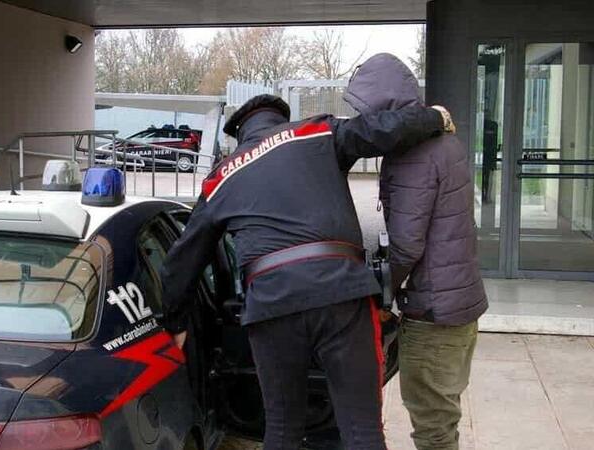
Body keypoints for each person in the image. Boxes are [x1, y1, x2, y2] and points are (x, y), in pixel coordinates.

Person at [156, 93, 455, 450]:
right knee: (363, 432)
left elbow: (181, 261)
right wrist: (434, 118)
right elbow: (379, 129)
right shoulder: (316, 133)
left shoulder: (221, 177)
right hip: (342, 294)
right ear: (282, 119)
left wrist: (175, 323)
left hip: (271, 308)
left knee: (282, 430)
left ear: (240, 134)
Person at [345, 53, 488, 450]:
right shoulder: (444, 140)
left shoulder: (413, 154)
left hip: (434, 313)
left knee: (432, 427)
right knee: (444, 413)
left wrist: (379, 291)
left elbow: (407, 244)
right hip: (461, 302)